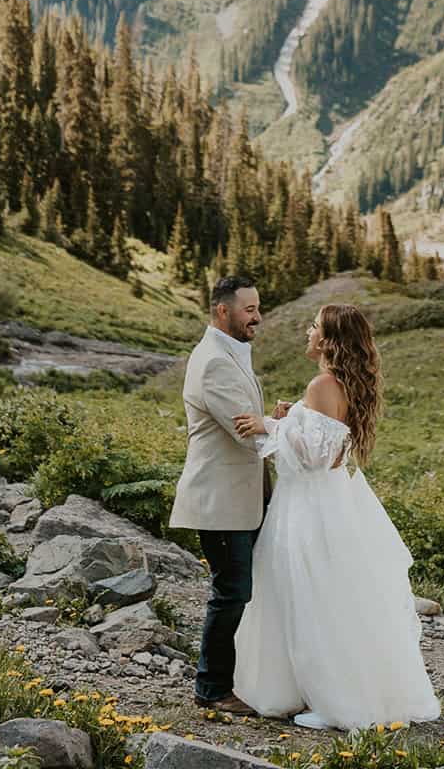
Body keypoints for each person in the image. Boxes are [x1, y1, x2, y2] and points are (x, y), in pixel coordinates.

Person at [231, 303, 441, 730]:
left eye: (313, 327)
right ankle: (305, 688)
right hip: (319, 502)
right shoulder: (336, 384)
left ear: (327, 340)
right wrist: (294, 419)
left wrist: (269, 427)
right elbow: (324, 441)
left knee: (309, 598)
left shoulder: (323, 383)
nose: (307, 332)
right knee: (308, 595)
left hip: (308, 507)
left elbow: (321, 459)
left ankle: (334, 700)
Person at [169, 274, 283, 715]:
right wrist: (294, 432)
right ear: (223, 311)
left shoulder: (230, 353)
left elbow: (248, 421)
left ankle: (232, 679)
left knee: (239, 590)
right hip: (220, 500)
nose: (258, 316)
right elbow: (245, 434)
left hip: (242, 497)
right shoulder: (213, 360)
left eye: (258, 307)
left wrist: (270, 420)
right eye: (249, 309)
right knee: (231, 591)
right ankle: (212, 687)